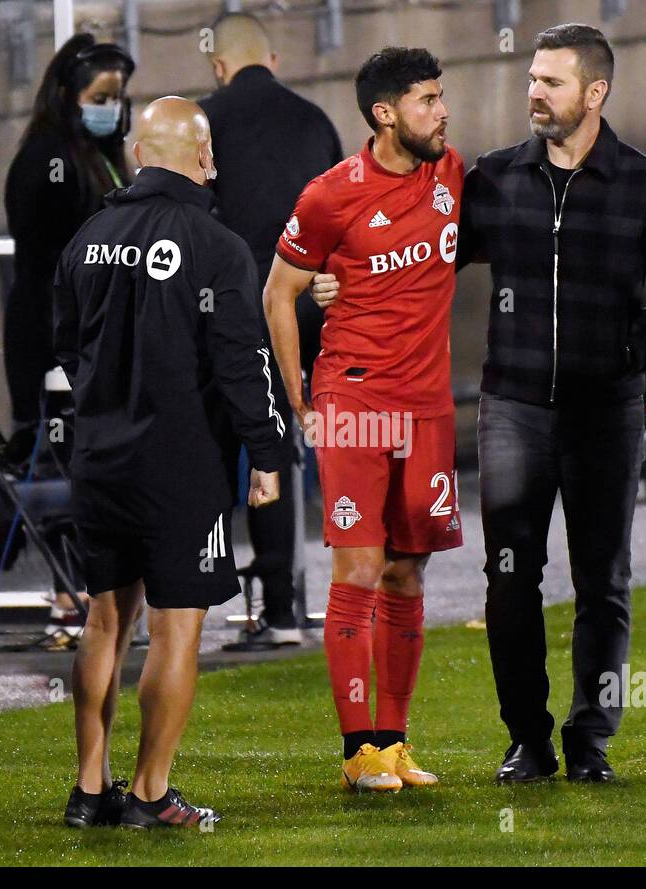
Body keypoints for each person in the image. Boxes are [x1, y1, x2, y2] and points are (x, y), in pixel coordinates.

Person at [311, 25, 646, 786]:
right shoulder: (491, 179)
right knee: (510, 576)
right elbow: (418, 257)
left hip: (605, 410)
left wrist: (643, 339)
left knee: (604, 579)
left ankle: (591, 739)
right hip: (515, 408)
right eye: (531, 79)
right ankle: (527, 738)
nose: (533, 94)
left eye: (551, 83)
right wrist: (335, 281)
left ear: (595, 94)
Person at [54, 96, 286, 829]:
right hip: (180, 465)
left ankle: (90, 791)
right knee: (176, 625)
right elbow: (243, 362)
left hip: (97, 459)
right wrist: (268, 453)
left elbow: (66, 345)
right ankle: (151, 793)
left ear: (136, 156)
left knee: (103, 621)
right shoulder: (216, 246)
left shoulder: (88, 236)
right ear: (203, 155)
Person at [264, 48, 462, 793]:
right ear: (385, 113)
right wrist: (300, 405)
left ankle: (394, 743)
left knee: (409, 574)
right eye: (427, 100)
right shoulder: (329, 196)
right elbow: (277, 294)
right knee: (360, 567)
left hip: (429, 406)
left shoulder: (452, 174)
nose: (441, 111)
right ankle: (356, 753)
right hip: (354, 402)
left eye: (441, 97)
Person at [198, 11, 343, 644]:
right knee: (276, 448)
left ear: (219, 67)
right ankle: (283, 609)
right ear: (274, 61)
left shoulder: (205, 123)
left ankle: (196, 596)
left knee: (213, 450)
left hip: (227, 310)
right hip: (307, 309)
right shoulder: (314, 121)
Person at [2, 32, 135, 641]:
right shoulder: (49, 159)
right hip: (54, 339)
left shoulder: (101, 153)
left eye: (119, 96)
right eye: (101, 95)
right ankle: (70, 594)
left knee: (102, 463)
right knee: (65, 459)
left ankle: (103, 596)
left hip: (96, 337)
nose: (114, 106)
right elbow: (54, 261)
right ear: (67, 95)